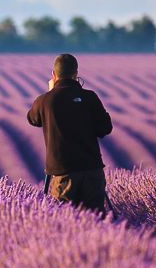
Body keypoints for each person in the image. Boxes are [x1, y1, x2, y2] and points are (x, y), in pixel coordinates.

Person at [26, 53, 113, 214]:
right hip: (91, 170)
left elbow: (32, 119)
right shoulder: (90, 98)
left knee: (65, 221)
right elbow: (106, 128)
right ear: (76, 74)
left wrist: (51, 92)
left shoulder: (45, 100)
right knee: (97, 221)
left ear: (53, 75)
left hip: (63, 174)